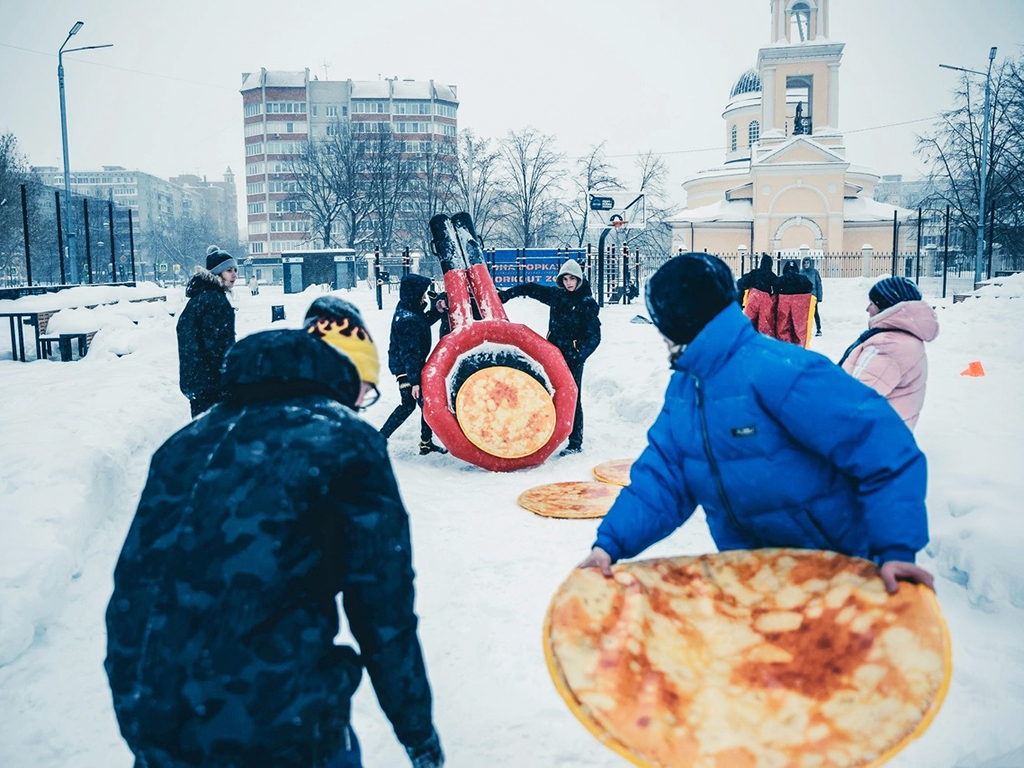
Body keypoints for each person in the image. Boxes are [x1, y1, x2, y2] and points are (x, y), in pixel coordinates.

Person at [105, 298, 445, 768]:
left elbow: (133, 588)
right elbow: (382, 613)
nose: (360, 407)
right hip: (278, 728)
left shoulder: (185, 444)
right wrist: (418, 731)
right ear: (345, 379)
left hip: (151, 717)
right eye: (364, 393)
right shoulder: (345, 440)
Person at [578, 252, 934, 595]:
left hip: (834, 572)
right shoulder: (687, 386)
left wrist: (896, 549)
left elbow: (885, 450)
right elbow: (664, 477)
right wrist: (609, 545)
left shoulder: (782, 370)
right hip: (753, 575)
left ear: (678, 317)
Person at [498, 259, 601, 455]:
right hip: (553, 355)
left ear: (580, 280)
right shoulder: (557, 295)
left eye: (573, 279)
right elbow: (530, 288)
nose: (569, 283)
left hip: (573, 357)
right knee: (546, 392)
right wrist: (507, 294)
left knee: (572, 397)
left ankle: (575, 441)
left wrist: (580, 354)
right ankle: (544, 433)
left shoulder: (586, 303)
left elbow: (594, 336)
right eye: (565, 279)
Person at [840, 276, 939, 431]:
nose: (867, 309)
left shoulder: (888, 345)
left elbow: (855, 399)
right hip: (887, 434)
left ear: (885, 307)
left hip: (869, 440)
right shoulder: (902, 337)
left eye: (872, 303)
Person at [380, 272, 448, 455]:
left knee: (423, 405)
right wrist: (414, 382)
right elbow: (409, 353)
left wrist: (436, 311)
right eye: (423, 293)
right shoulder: (407, 320)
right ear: (414, 293)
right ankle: (378, 440)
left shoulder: (408, 309)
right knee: (410, 405)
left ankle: (426, 444)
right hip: (406, 367)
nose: (425, 296)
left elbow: (422, 322)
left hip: (411, 365)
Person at [176, 245, 237, 418]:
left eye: (234, 270)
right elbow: (218, 346)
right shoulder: (215, 301)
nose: (234, 274)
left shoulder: (198, 298)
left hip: (197, 382)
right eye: (228, 270)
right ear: (217, 273)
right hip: (212, 385)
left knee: (204, 435)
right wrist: (229, 378)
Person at [774, 260, 816, 347]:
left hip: (784, 301)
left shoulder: (781, 279)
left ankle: (785, 347)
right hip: (800, 303)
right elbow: (810, 287)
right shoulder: (803, 279)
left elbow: (775, 288)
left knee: (783, 326)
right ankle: (799, 348)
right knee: (799, 328)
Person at [735, 253, 776, 337]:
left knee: (749, 319)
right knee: (765, 324)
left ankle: (746, 337)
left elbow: (742, 282)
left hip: (754, 296)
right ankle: (763, 341)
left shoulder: (755, 273)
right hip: (766, 299)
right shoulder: (771, 276)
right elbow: (778, 287)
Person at [800, 256, 824, 336]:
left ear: (810, 263)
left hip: (813, 295)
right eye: (804, 263)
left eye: (807, 263)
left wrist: (819, 297)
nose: (806, 264)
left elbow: (819, 285)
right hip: (804, 296)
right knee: (804, 314)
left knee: (815, 313)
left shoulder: (815, 272)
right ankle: (804, 330)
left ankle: (818, 329)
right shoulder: (801, 273)